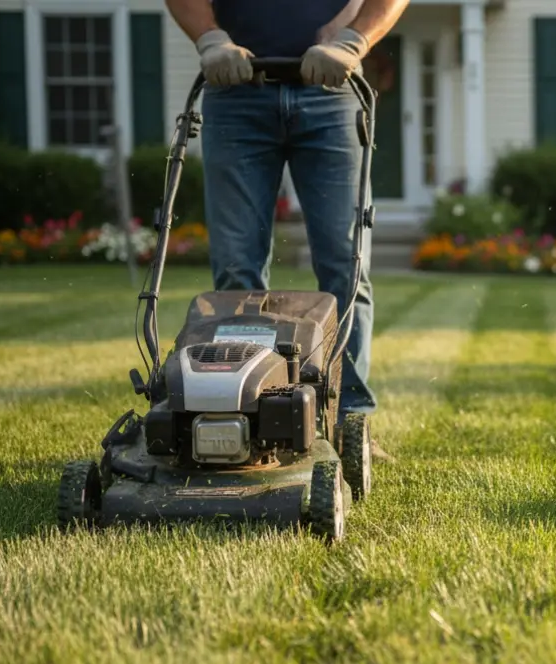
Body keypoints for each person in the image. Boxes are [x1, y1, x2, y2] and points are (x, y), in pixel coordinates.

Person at [164, 0, 408, 460]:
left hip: (332, 93)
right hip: (235, 93)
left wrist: (352, 40)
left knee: (346, 266)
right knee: (236, 272)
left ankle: (347, 419)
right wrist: (211, 39)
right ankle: (243, 414)